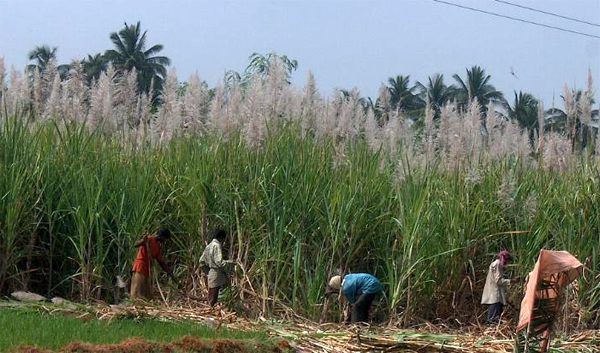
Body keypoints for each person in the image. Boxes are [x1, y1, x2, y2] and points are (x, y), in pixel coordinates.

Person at [130, 227, 174, 300]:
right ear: (161, 236)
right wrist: (142, 241)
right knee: (138, 288)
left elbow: (161, 262)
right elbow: (135, 245)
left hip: (147, 269)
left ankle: (144, 304)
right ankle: (135, 303)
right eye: (165, 239)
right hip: (140, 266)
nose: (164, 241)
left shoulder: (158, 247)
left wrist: (170, 273)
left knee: (145, 291)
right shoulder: (149, 239)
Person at [481, 250, 519, 324]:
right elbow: (498, 281)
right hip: (494, 295)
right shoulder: (497, 264)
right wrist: (511, 281)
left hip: (496, 295)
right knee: (493, 319)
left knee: (495, 317)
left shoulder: (497, 265)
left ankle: (491, 331)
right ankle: (490, 331)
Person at [200, 229, 232, 307]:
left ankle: (208, 311)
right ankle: (209, 312)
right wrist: (230, 262)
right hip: (217, 273)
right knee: (214, 296)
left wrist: (208, 271)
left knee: (211, 294)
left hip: (211, 273)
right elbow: (219, 262)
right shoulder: (217, 245)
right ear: (221, 237)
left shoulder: (209, 246)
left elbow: (201, 261)